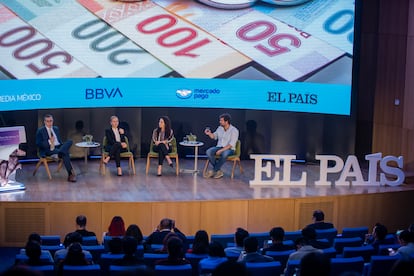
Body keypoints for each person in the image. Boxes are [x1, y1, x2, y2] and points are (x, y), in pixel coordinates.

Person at [35, 114, 76, 182]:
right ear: (44, 122)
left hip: (59, 147)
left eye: (51, 121)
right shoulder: (40, 131)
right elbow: (38, 144)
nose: (49, 123)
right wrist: (49, 141)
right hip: (48, 149)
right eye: (47, 121)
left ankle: (59, 152)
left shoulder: (56, 128)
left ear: (53, 121)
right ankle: (70, 174)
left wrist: (60, 147)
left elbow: (59, 141)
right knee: (65, 153)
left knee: (70, 141)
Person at [204, 113, 239, 179]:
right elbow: (214, 137)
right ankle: (218, 170)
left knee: (224, 154)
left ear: (226, 122)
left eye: (221, 121)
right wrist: (209, 133)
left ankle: (214, 170)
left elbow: (231, 144)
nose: (220, 122)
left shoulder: (234, 130)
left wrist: (221, 150)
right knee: (209, 152)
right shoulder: (219, 128)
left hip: (230, 149)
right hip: (219, 146)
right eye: (220, 120)